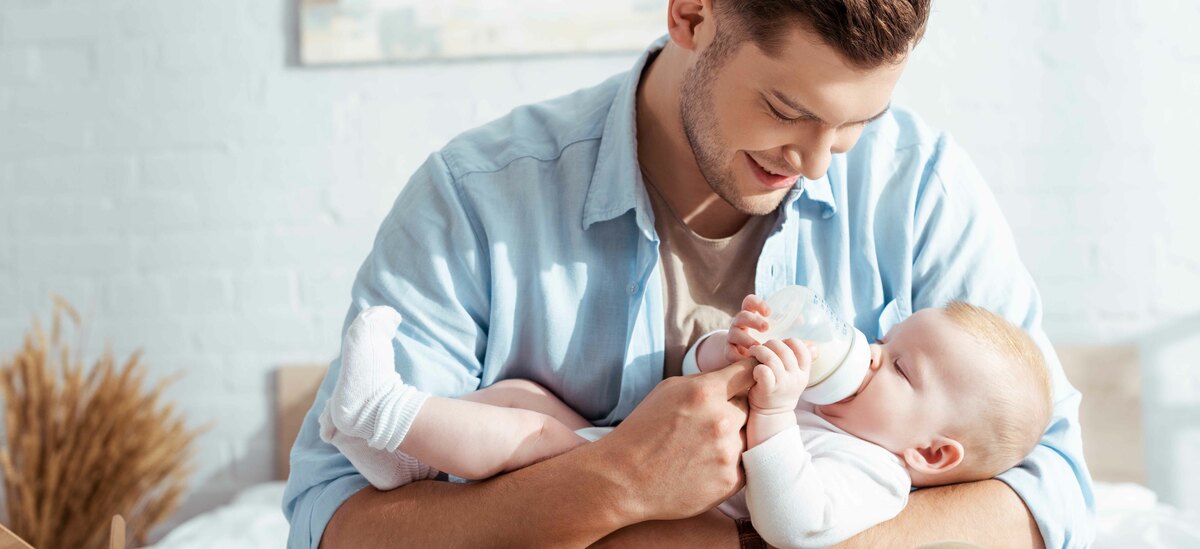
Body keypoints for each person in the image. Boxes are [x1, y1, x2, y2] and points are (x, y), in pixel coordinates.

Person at [283, 1, 1094, 547]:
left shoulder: (919, 186)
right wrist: (615, 482)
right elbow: (333, 520)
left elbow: (1049, 486)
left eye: (854, 124)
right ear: (693, 14)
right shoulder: (477, 201)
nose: (817, 164)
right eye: (786, 110)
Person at [319, 298, 1053, 549]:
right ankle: (400, 457)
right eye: (887, 340)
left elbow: (795, 523)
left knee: (532, 438)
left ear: (930, 450)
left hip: (625, 491)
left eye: (898, 368)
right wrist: (729, 347)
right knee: (524, 396)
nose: (870, 353)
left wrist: (771, 411)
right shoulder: (828, 406)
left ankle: (381, 409)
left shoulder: (875, 474)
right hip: (622, 445)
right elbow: (694, 382)